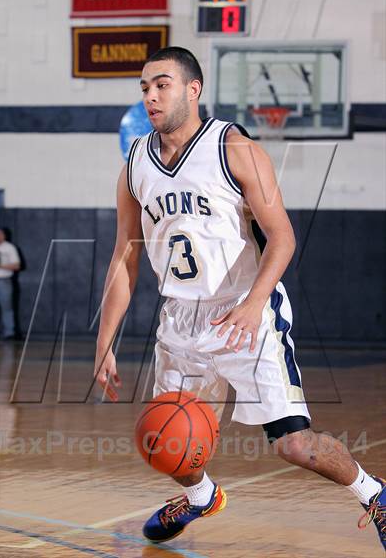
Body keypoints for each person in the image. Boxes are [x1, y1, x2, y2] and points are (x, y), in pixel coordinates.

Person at [94, 47, 385, 550]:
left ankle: (374, 493)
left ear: (193, 89)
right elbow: (125, 256)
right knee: (169, 440)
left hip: (245, 308)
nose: (150, 96)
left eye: (161, 84)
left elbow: (284, 236)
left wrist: (255, 302)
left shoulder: (234, 149)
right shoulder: (135, 163)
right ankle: (202, 496)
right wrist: (105, 339)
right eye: (144, 88)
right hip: (182, 319)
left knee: (295, 445)